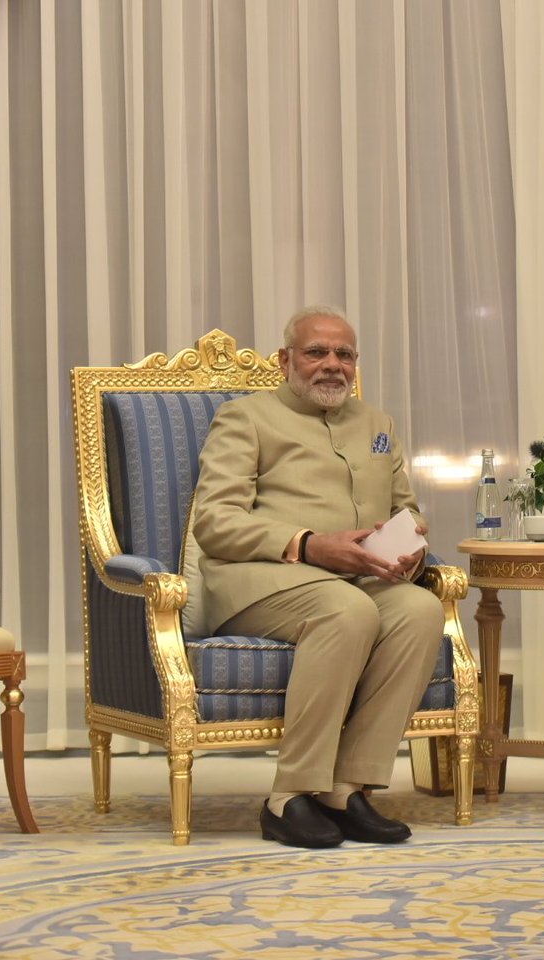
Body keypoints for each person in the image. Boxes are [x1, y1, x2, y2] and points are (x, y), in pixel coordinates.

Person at [191, 305, 445, 849]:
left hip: (360, 578)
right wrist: (309, 544)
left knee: (422, 610)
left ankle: (346, 788)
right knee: (346, 610)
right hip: (259, 581)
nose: (332, 365)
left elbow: (409, 510)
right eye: (316, 352)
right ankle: (289, 797)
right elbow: (214, 521)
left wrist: (407, 550)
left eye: (344, 355)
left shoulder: (378, 425)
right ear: (285, 360)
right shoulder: (246, 417)